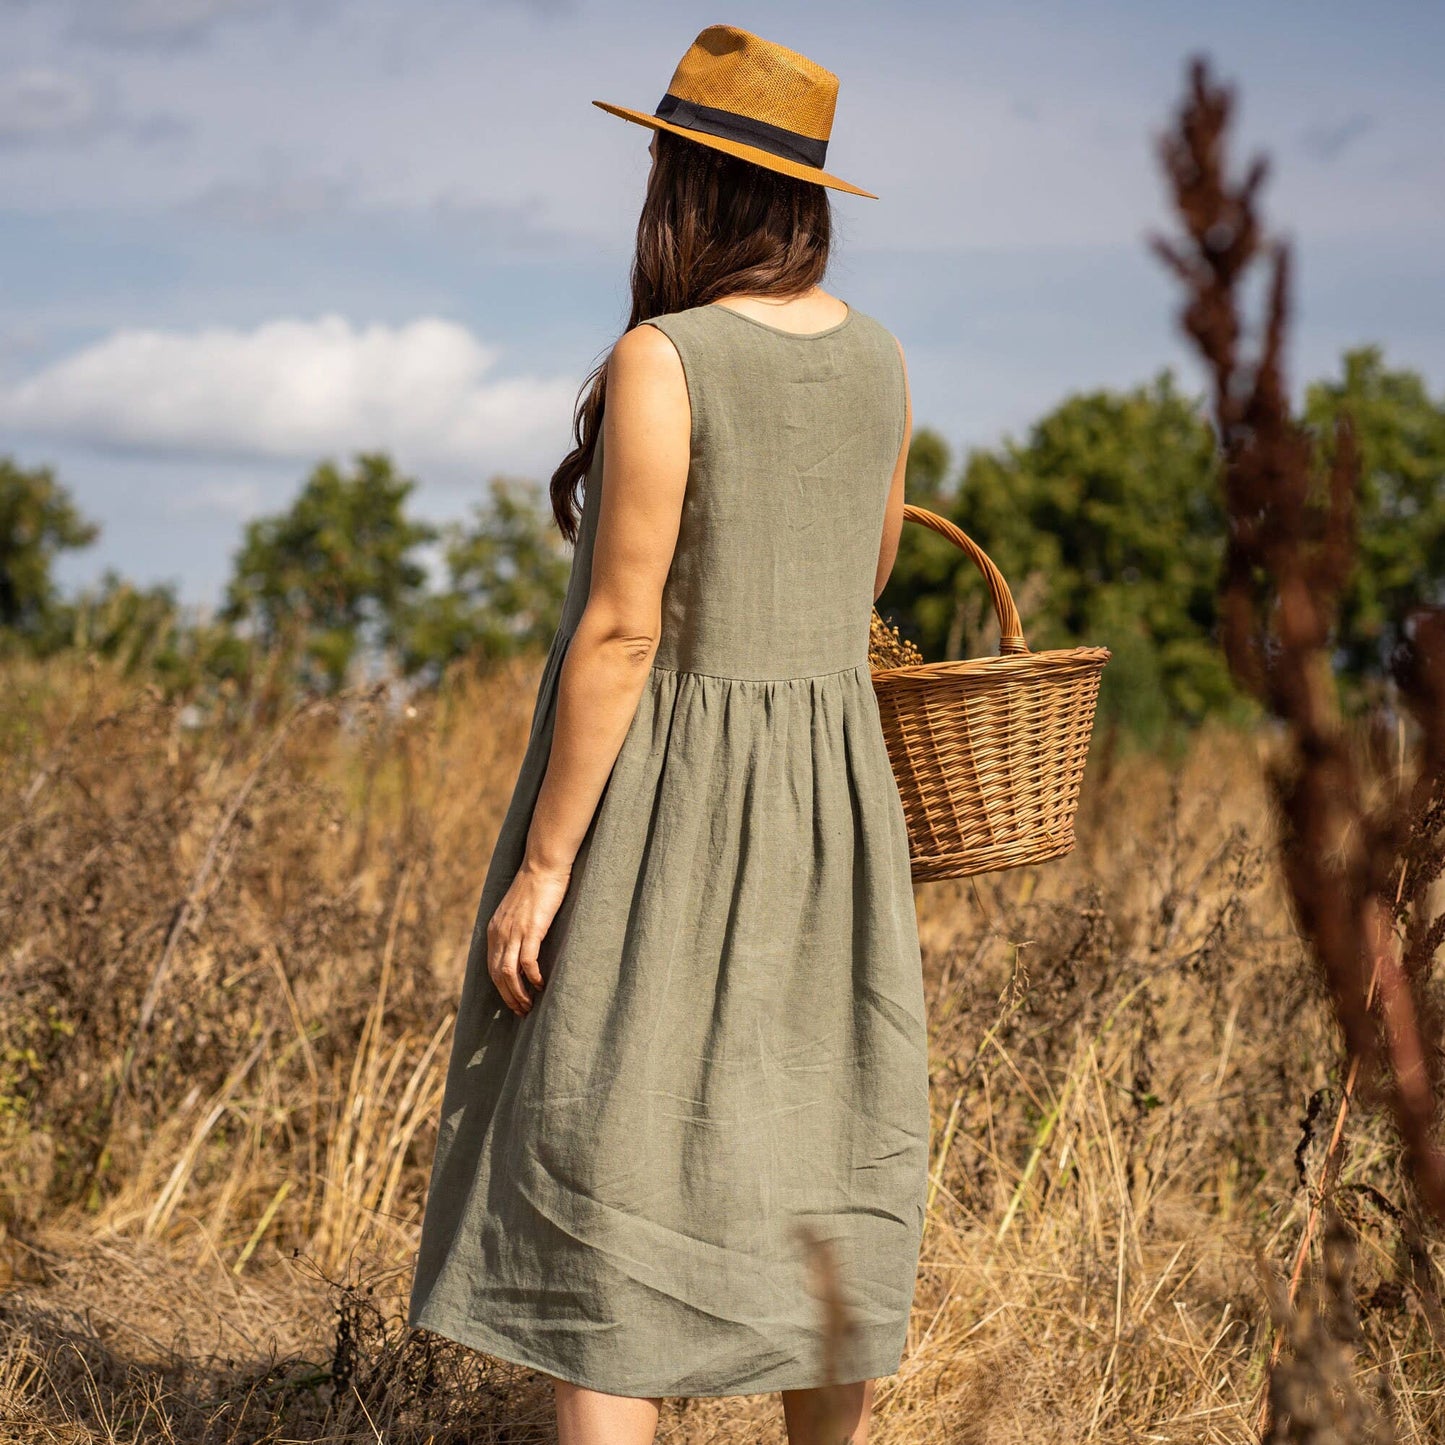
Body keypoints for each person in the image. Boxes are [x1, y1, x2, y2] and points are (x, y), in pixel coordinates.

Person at [407, 24, 930, 1445]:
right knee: (822, 1169)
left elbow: (625, 632)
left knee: (606, 1188)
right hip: (833, 815)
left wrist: (543, 862)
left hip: (673, 814)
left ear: (687, 187)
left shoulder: (663, 358)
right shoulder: (881, 360)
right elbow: (860, 579)